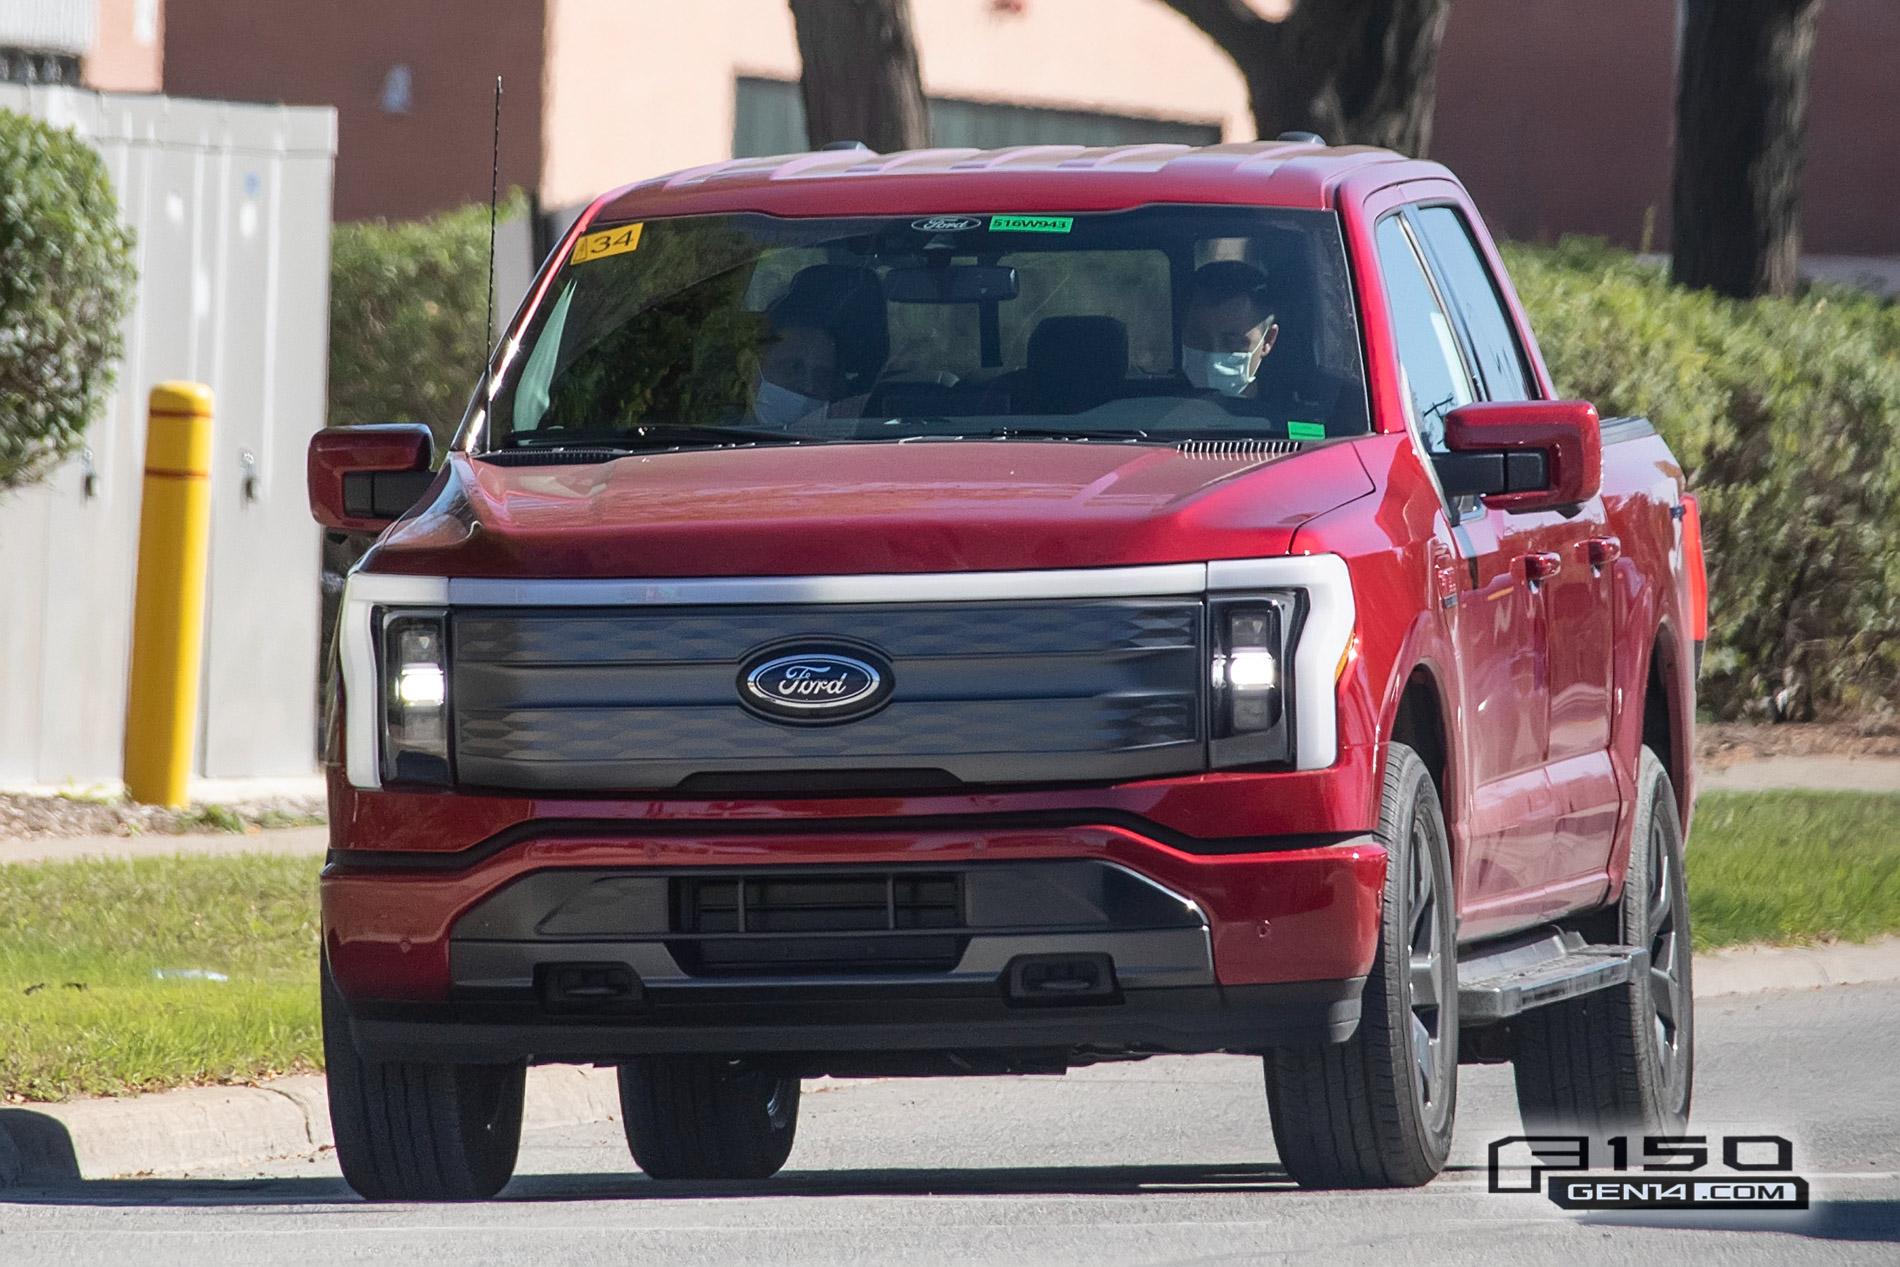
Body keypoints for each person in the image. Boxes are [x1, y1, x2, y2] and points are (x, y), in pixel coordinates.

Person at [1180, 260, 1279, 399]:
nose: (1212, 360)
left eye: (1232, 342)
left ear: (1268, 340)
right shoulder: (1152, 417)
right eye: (1199, 339)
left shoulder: (1298, 419)